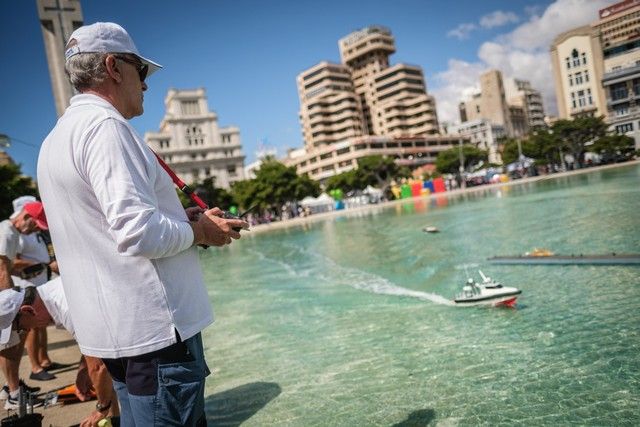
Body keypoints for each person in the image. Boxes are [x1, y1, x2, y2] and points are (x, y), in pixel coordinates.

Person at [38, 22, 249, 425]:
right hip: (156, 338)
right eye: (142, 71)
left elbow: (103, 227)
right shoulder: (107, 129)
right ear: (114, 67)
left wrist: (180, 219)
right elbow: (136, 232)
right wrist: (201, 231)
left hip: (116, 336)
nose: (147, 85)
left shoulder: (56, 139)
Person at [0, 201, 48, 408]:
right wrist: (12, 304)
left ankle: (9, 387)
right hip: (4, 297)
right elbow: (1, 269)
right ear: (26, 216)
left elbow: (7, 268)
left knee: (8, 342)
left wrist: (21, 272)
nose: (34, 229)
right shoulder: (7, 232)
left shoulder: (11, 232)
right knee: (10, 342)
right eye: (34, 224)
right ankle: (13, 394)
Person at [9, 196, 61, 382]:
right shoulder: (15, 234)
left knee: (40, 325)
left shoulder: (30, 233)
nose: (36, 226)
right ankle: (35, 367)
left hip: (38, 285)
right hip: (25, 288)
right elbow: (12, 262)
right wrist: (43, 263)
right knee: (31, 327)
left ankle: (44, 360)